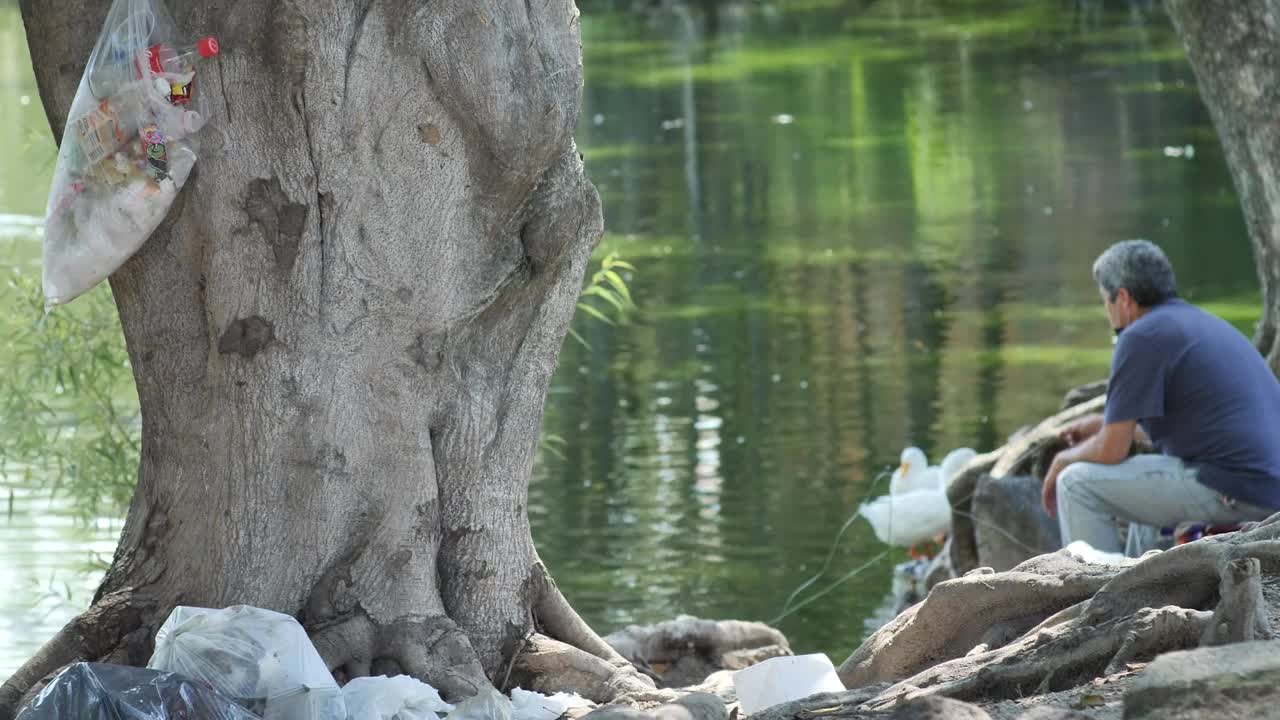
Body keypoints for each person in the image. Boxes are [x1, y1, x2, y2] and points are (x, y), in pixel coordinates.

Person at [1042, 239, 1280, 556]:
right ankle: (1136, 580)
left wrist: (1062, 460)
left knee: (1075, 483)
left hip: (1236, 488)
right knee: (1149, 474)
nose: (1107, 312)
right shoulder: (1197, 323)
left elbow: (1113, 449)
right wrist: (1104, 424)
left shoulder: (1140, 335)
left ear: (1123, 298)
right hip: (1265, 487)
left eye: (1105, 301)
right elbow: (1202, 428)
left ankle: (1094, 592)